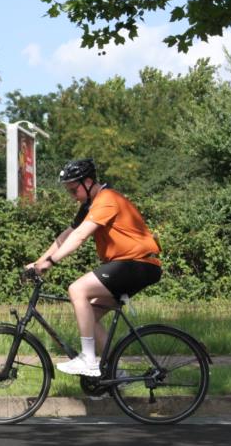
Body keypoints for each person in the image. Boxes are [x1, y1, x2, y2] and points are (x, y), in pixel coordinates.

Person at [26, 158, 162, 376]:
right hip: (129, 265)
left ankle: (89, 360)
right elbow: (67, 235)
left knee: (77, 289)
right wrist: (38, 262)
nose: (72, 196)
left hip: (137, 263)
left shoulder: (107, 200)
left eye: (73, 191)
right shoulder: (89, 204)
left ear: (88, 182)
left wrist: (50, 263)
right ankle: (117, 374)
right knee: (90, 314)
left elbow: (80, 236)